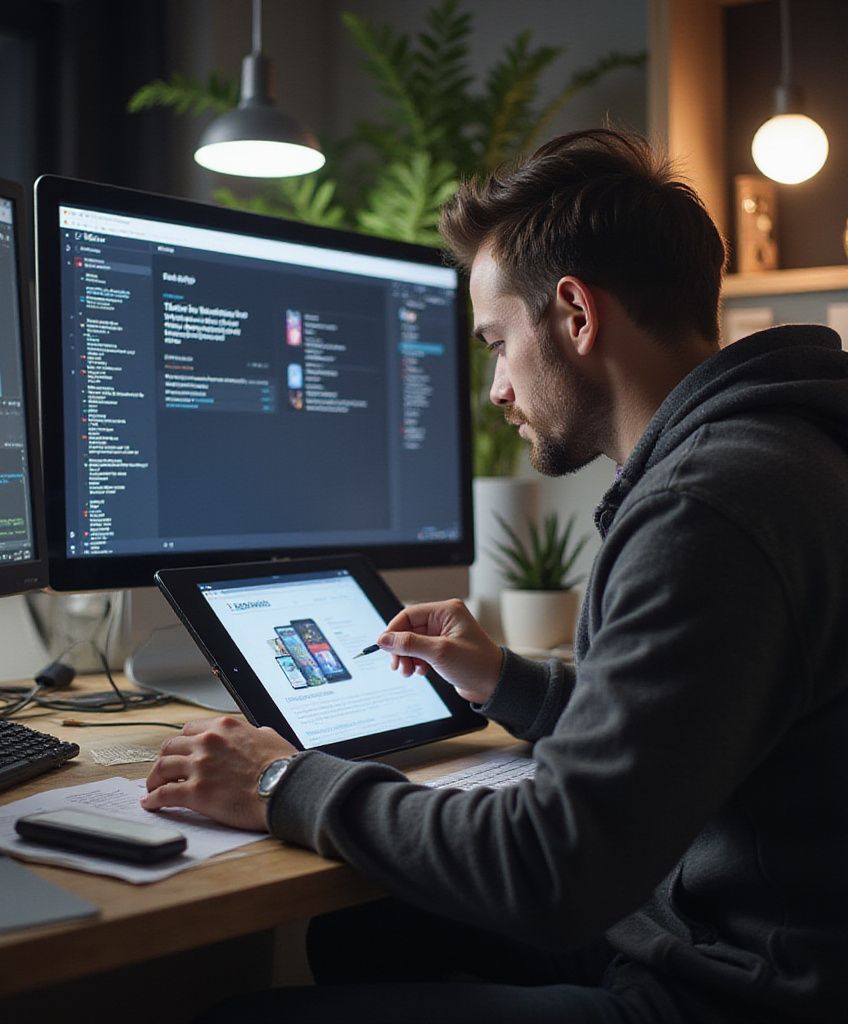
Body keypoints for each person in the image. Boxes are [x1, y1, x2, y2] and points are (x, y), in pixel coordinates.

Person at [142, 128, 848, 1023]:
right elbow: (692, 726)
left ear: (577, 315)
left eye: (496, 343)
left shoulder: (711, 505)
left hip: (736, 993)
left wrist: (284, 783)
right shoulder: (780, 450)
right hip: (724, 929)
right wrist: (506, 682)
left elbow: (554, 867)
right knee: (362, 933)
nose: (496, 391)